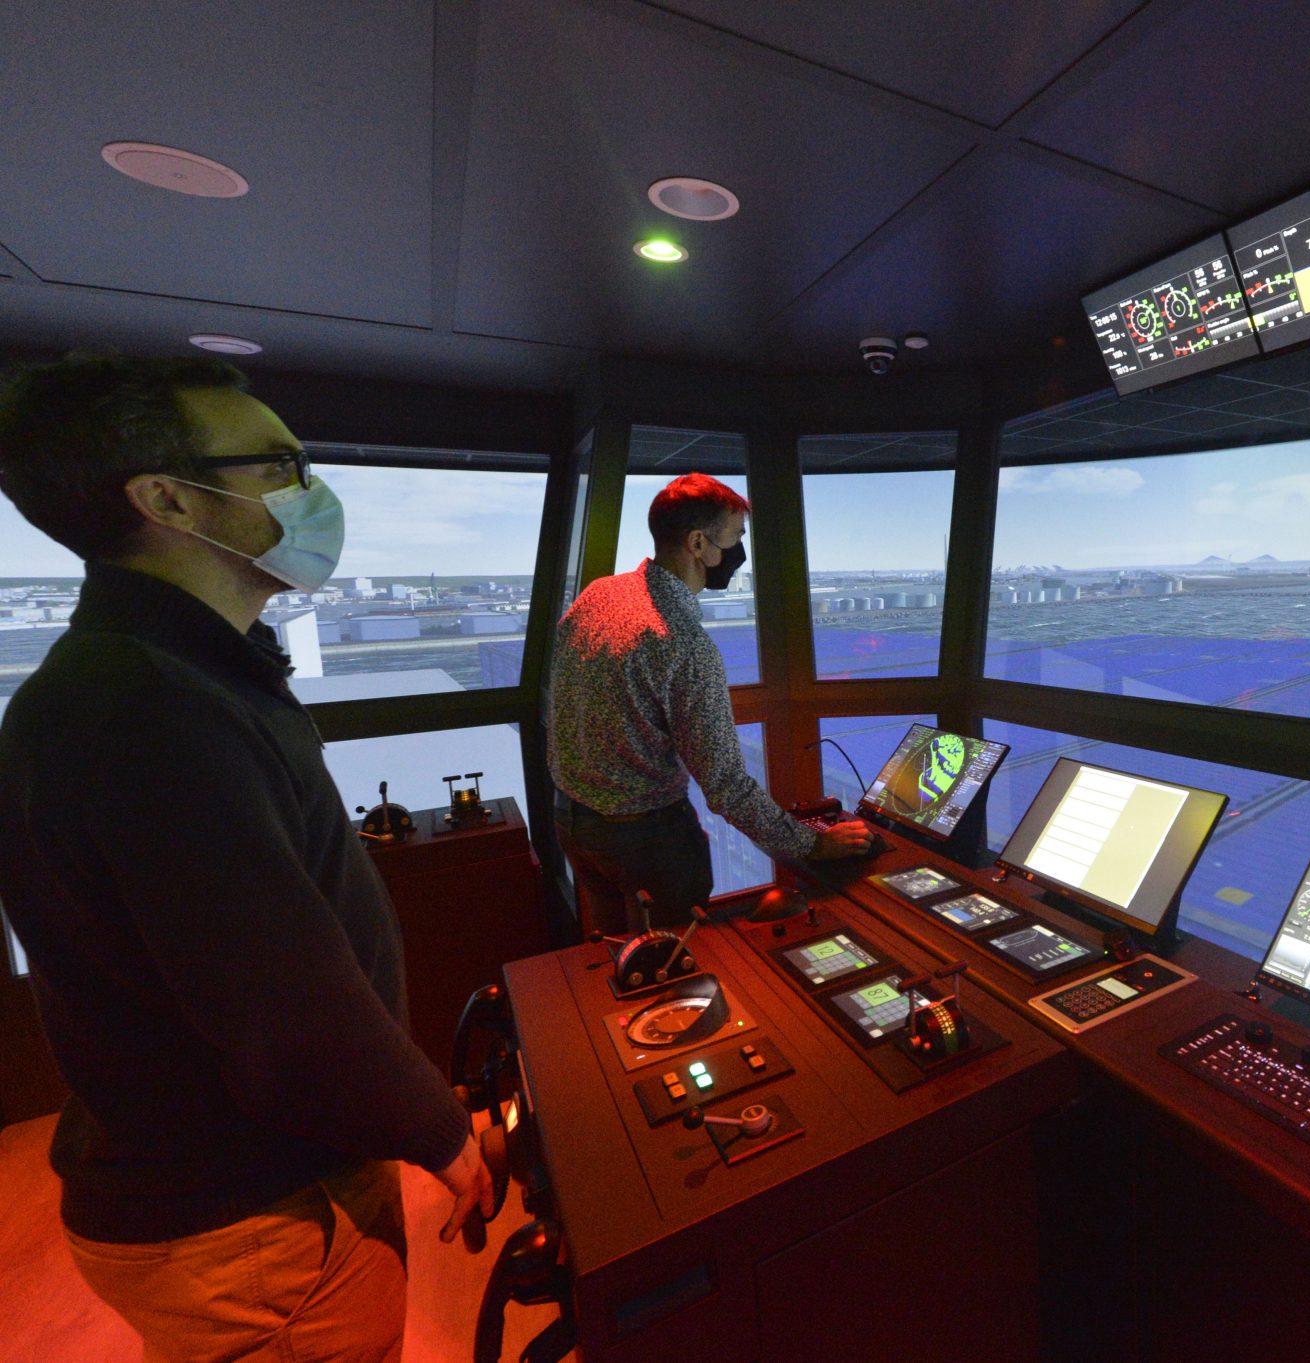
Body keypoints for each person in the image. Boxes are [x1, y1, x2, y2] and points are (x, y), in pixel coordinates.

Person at [0, 353, 494, 1363]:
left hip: (240, 1191)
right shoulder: (146, 710)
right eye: (279, 463)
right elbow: (285, 1014)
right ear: (169, 499)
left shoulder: (147, 678)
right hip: (256, 1218)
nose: (311, 491)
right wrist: (446, 1135)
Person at [549, 472, 872, 935]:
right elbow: (724, 785)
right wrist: (811, 845)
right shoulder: (681, 642)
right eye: (736, 537)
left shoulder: (599, 594)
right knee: (672, 967)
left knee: (620, 961)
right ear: (698, 543)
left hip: (575, 824)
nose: (740, 553)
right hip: (645, 842)